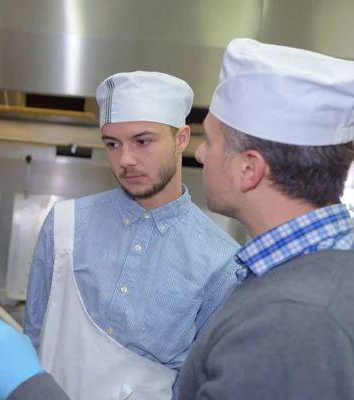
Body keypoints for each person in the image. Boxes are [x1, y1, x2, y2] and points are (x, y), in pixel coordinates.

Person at [0, 38, 354, 400]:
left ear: (250, 169)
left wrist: (26, 385)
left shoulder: (293, 308)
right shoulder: (278, 280)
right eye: (112, 143)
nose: (201, 154)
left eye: (209, 141)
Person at [23, 71, 241, 399]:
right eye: (112, 144)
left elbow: (198, 384)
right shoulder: (65, 224)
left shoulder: (221, 261)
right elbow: (34, 339)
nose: (125, 160)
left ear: (181, 139)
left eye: (143, 141)